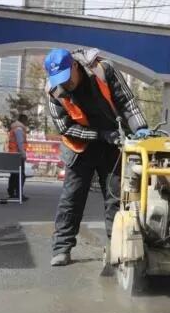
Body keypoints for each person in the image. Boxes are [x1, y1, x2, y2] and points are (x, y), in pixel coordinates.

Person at [44, 48, 150, 266]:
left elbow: (127, 102)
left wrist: (140, 128)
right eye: (59, 80)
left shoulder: (103, 69)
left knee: (116, 197)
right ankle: (62, 248)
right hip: (79, 147)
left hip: (113, 143)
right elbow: (65, 127)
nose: (65, 84)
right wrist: (99, 134)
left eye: (67, 77)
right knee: (72, 198)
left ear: (74, 65)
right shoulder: (53, 91)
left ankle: (117, 247)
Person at [7, 114, 29, 201]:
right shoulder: (19, 129)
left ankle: (11, 192)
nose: (27, 123)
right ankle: (19, 193)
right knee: (21, 175)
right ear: (24, 120)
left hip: (12, 154)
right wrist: (23, 154)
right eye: (26, 121)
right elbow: (20, 143)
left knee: (14, 174)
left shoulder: (14, 127)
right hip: (17, 155)